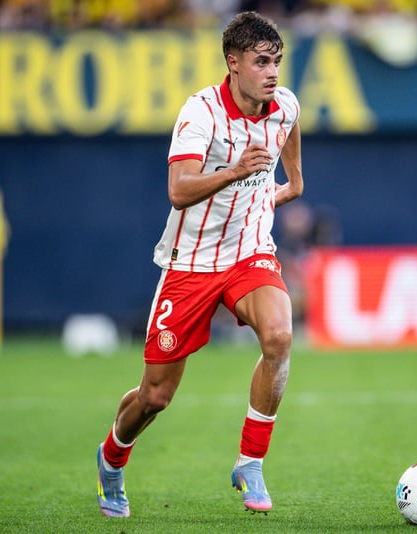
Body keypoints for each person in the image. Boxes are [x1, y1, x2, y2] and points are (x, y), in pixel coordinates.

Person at [95, 11, 304, 518]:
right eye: (261, 62)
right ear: (233, 62)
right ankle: (112, 457)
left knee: (279, 336)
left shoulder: (285, 106)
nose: (272, 72)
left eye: (276, 61)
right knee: (156, 396)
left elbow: (290, 135)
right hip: (191, 263)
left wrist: (289, 186)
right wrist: (234, 172)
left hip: (250, 252)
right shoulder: (201, 113)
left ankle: (250, 462)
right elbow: (178, 190)